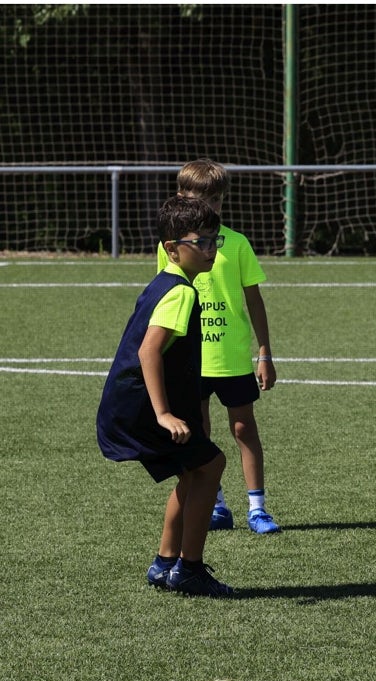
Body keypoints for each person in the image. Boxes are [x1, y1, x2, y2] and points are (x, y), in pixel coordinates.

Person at [97, 196, 234, 597]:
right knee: (211, 465)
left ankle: (164, 563)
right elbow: (148, 351)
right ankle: (188, 569)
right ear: (172, 249)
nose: (210, 250)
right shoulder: (180, 293)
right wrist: (163, 414)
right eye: (201, 242)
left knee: (195, 470)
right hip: (142, 409)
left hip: (127, 405)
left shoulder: (164, 283)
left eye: (214, 240)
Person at [157, 159, 280, 534]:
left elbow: (254, 301)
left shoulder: (237, 243)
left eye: (217, 199)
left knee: (244, 428)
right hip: (192, 360)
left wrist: (264, 352)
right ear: (183, 197)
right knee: (200, 433)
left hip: (232, 358)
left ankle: (257, 508)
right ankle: (217, 506)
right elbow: (166, 300)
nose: (211, 206)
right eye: (203, 198)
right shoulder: (172, 247)